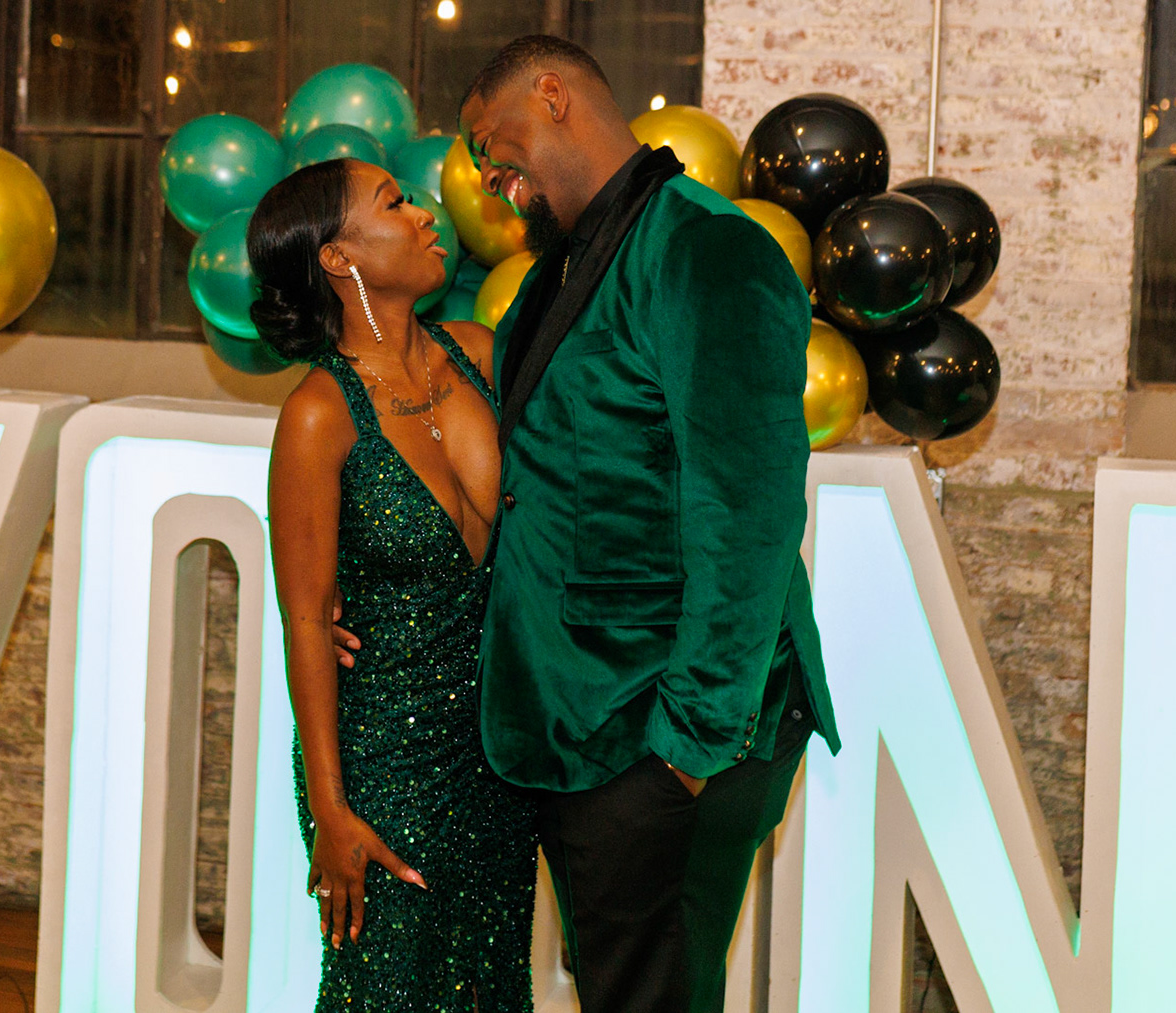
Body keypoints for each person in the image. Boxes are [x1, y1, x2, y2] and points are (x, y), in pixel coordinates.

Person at [459, 35, 842, 1012]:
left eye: (490, 142)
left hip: (661, 733)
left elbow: (748, 512)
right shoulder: (556, 270)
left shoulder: (708, 248)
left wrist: (687, 747)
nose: (488, 175)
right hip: (586, 722)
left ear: (552, 96)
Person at [250, 156, 537, 1010]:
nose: (424, 214)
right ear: (339, 258)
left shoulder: (479, 353)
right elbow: (307, 620)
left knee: (489, 982)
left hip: (499, 751)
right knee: (386, 988)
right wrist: (331, 810)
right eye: (395, 203)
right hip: (387, 757)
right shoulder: (319, 414)